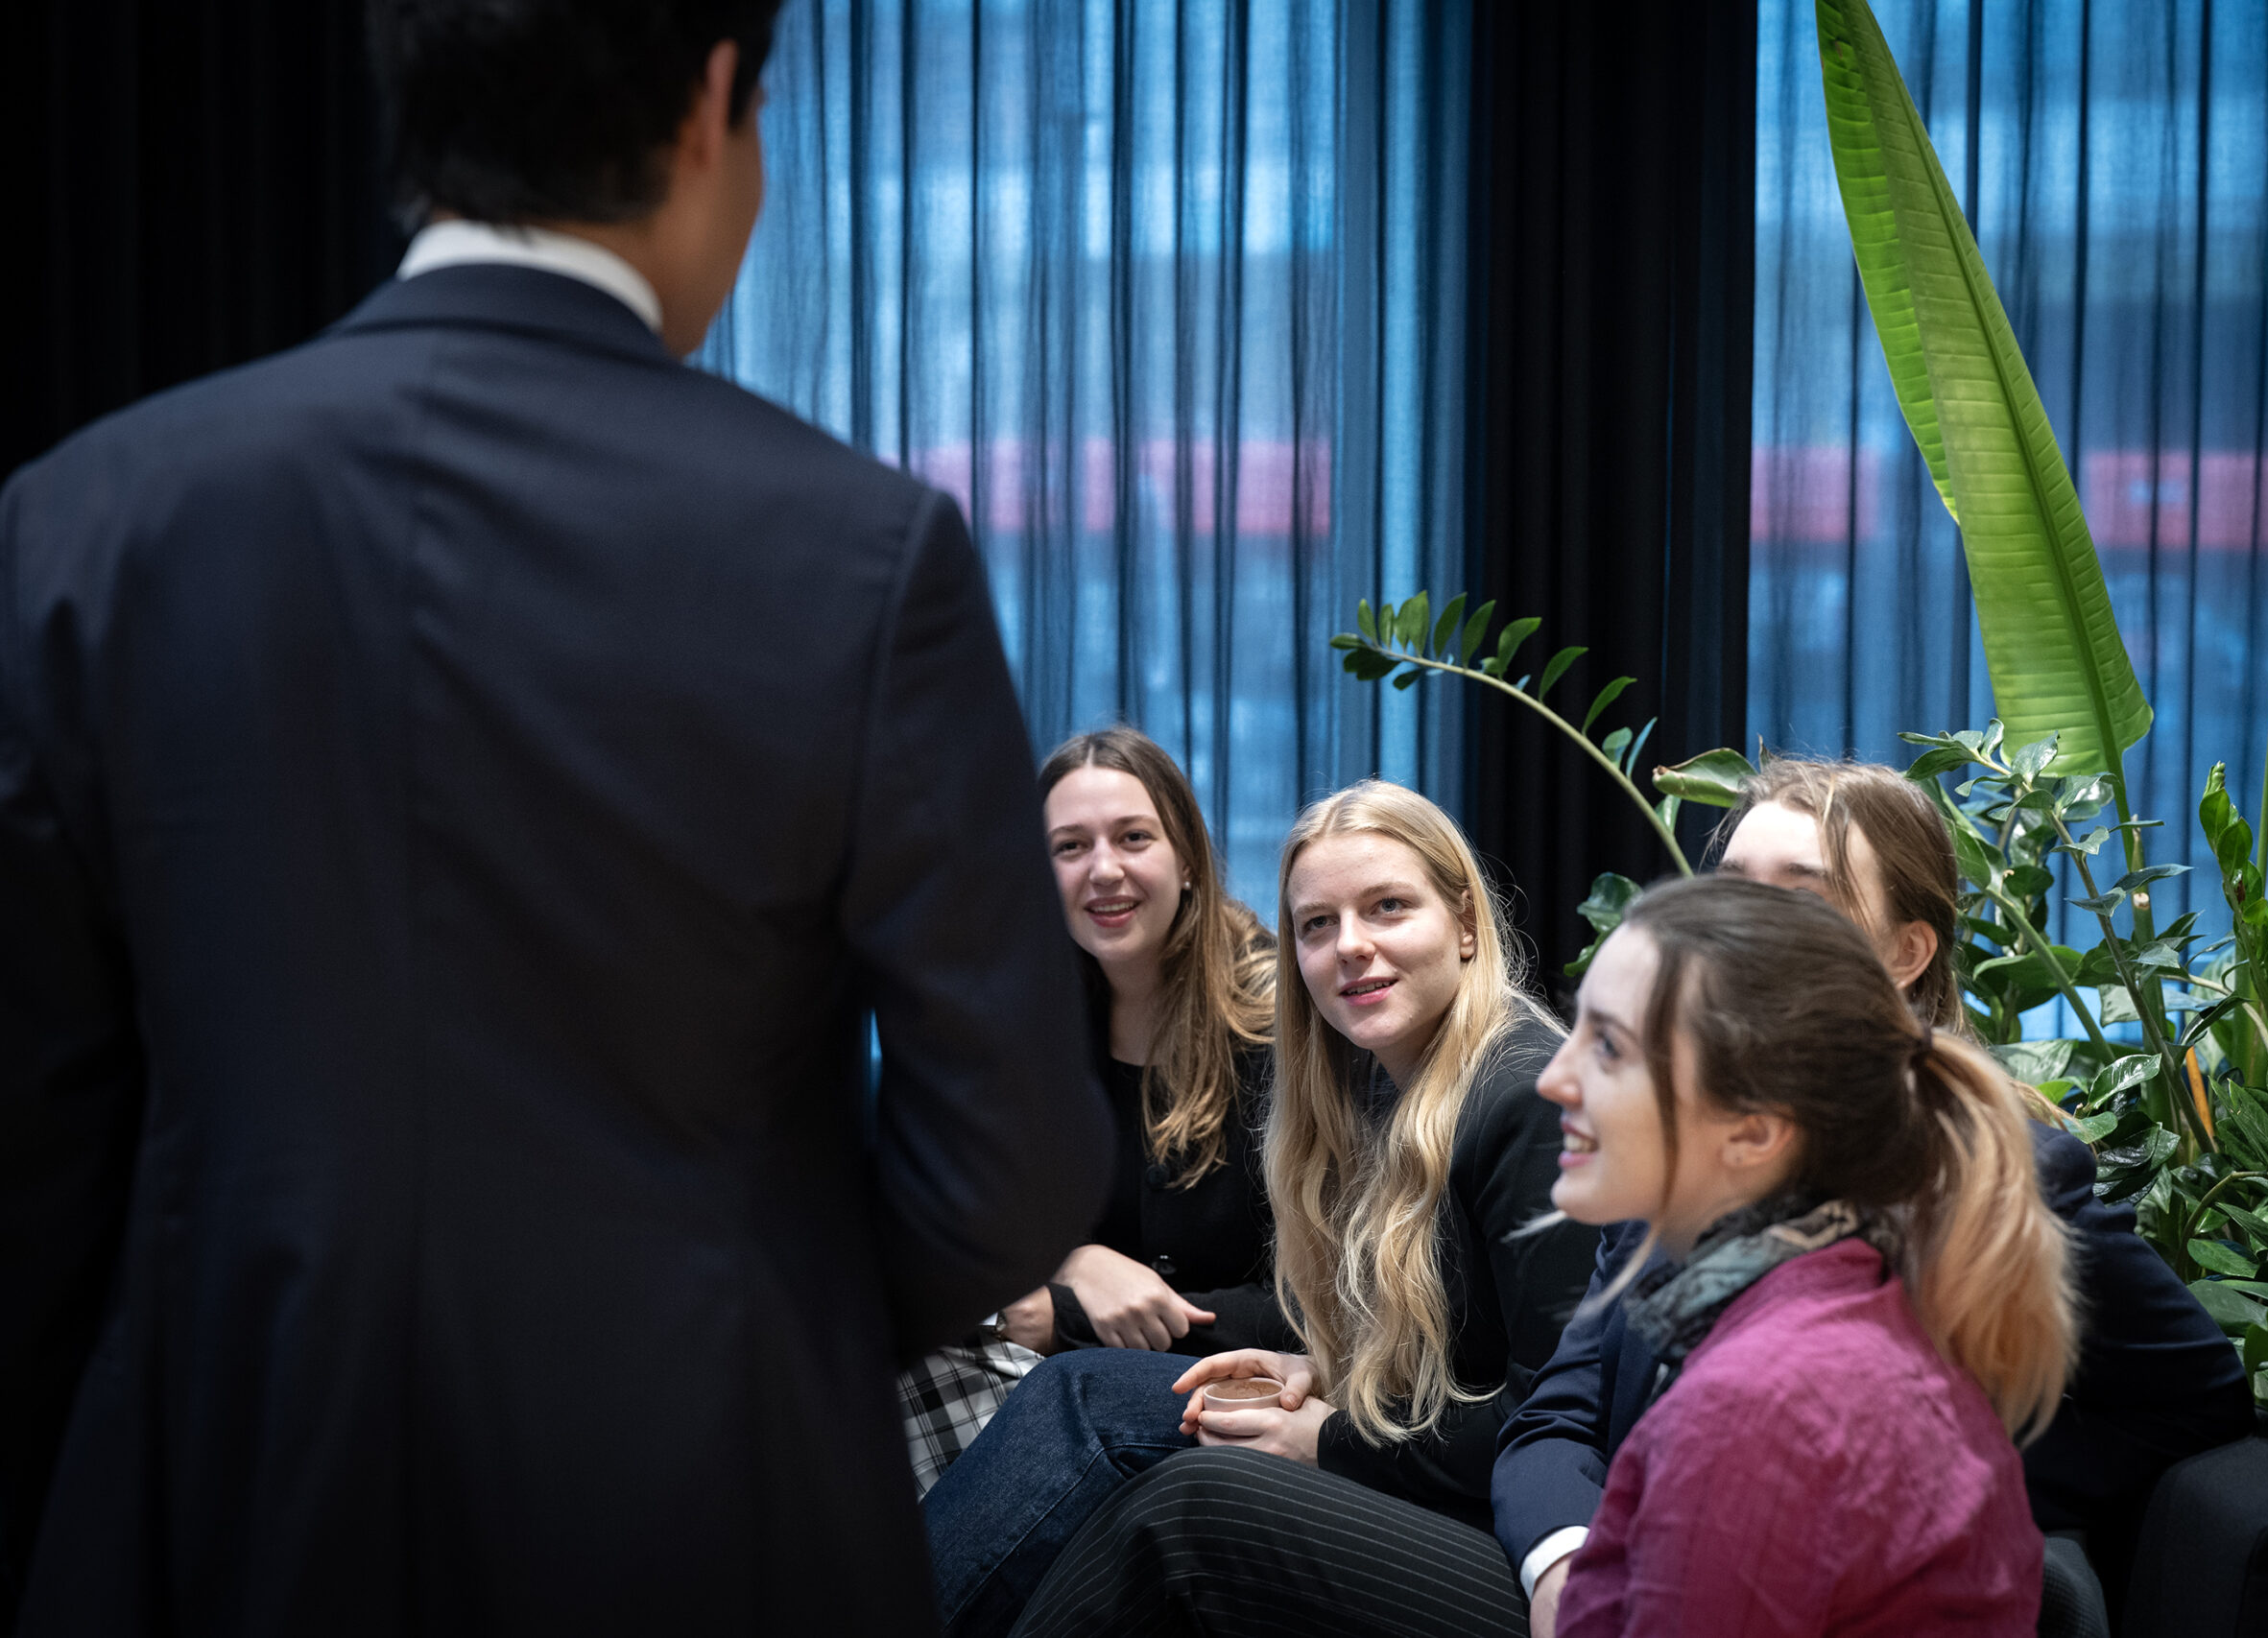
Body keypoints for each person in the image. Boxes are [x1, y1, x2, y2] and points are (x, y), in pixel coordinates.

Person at [0, 4, 1110, 1632]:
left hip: (223, 1490)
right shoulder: (861, 550)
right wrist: (757, 1319)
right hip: (712, 1507)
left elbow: (36, 1124)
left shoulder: (89, 517)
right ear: (712, 101)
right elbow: (1007, 1158)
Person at [1494, 757, 2253, 1636]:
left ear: (1904, 953)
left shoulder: (1987, 1177)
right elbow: (1559, 1414)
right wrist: (1564, 1562)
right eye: (1732, 886)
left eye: (1799, 896)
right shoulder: (1677, 1141)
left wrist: (1918, 1486)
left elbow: (2191, 1397)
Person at [942, 781, 1598, 1638]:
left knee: (1177, 1494)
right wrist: (1321, 1374)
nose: (1350, 945)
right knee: (1084, 1392)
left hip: (1525, 1543)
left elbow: (1549, 1421)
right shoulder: (1382, 1082)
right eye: (1317, 924)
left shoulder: (1529, 1099)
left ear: (1466, 923)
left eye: (1388, 906)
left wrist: (1331, 1437)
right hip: (1427, 1461)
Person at [1542, 874, 2077, 1635]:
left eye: (1608, 1046)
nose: (1552, 1078)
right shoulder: (1850, 1298)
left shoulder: (1758, 1407)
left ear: (1755, 1129)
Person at [898, 726, 1286, 1491]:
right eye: (1069, 847)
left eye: (1133, 837)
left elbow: (1322, 1303)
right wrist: (1072, 1260)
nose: (1103, 869)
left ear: (1187, 857)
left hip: (1232, 1386)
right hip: (1065, 1380)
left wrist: (1063, 1315)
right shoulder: (1025, 1022)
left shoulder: (1279, 1023)